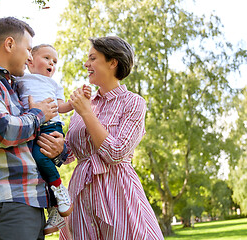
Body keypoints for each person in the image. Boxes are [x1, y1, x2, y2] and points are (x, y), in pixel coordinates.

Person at [0, 17, 66, 240]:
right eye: (28, 49)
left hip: (33, 203)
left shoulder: (15, 88)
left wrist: (58, 150)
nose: (29, 57)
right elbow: (2, 130)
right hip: (8, 202)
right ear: (9, 44)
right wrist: (39, 115)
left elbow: (30, 142)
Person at [55, 36, 165, 239]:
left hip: (118, 194)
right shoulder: (84, 102)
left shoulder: (133, 103)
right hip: (81, 196)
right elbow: (69, 153)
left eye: (93, 58)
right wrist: (55, 145)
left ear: (112, 62)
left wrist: (87, 113)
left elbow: (116, 153)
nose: (86, 63)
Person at [0, 44, 91, 235]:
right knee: (32, 165)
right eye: (47, 58)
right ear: (30, 61)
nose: (52, 63)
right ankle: (55, 208)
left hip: (50, 127)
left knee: (40, 158)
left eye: (55, 61)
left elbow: (61, 107)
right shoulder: (20, 77)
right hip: (31, 126)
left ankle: (60, 190)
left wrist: (77, 100)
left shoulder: (53, 84)